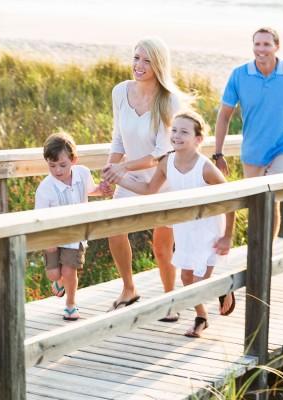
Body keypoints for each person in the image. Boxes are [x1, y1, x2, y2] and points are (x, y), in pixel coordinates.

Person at [106, 109, 236, 337]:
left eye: (184, 132)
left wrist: (227, 236)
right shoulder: (167, 163)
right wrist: (121, 179)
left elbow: (231, 200)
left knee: (199, 280)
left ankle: (224, 287)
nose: (176, 135)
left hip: (208, 229)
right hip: (185, 228)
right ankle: (202, 317)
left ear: (198, 140)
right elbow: (149, 189)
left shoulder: (205, 168)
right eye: (174, 130)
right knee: (186, 278)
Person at [101, 36, 188, 319]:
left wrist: (123, 169)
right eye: (136, 57)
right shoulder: (120, 92)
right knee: (114, 229)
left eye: (147, 60)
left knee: (162, 247)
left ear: (159, 65)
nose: (139, 65)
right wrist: (109, 172)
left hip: (163, 182)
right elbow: (117, 139)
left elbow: (160, 153)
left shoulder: (169, 100)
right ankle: (129, 288)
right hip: (128, 180)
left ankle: (169, 300)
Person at [214, 27, 283, 238]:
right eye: (257, 44)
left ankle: (266, 251)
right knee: (257, 204)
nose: (261, 49)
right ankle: (258, 249)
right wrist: (218, 153)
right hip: (253, 151)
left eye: (266, 44)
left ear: (277, 46)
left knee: (269, 193)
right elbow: (224, 116)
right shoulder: (239, 75)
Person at [35, 132, 112, 321]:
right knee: (54, 274)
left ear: (73, 160)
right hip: (53, 235)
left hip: (75, 233)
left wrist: (100, 191)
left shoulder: (82, 173)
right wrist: (47, 242)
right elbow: (39, 217)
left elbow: (88, 190)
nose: (57, 171)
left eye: (63, 165)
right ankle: (59, 282)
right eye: (52, 166)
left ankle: (70, 304)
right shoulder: (45, 189)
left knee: (69, 271)